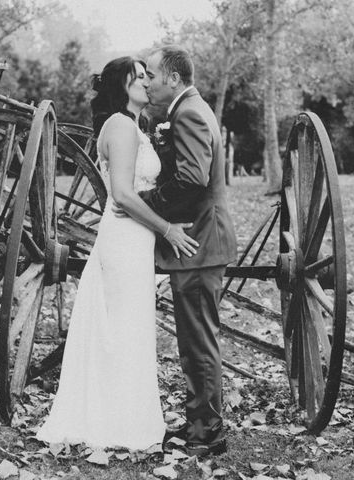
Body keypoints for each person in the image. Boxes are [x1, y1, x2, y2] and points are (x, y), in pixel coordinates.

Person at [35, 56, 199, 451]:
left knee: (128, 328)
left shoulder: (133, 126)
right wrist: (167, 230)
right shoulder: (122, 127)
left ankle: (124, 417)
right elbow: (122, 194)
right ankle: (118, 425)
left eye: (147, 76)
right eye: (138, 77)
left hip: (132, 237)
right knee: (124, 329)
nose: (146, 81)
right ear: (120, 87)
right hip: (125, 237)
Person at [140, 45, 238, 457]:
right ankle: (200, 420)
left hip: (198, 243)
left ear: (173, 79)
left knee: (198, 344)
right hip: (197, 245)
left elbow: (193, 179)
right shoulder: (187, 110)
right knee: (195, 341)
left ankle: (208, 432)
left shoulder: (190, 113)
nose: (146, 81)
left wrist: (146, 201)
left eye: (150, 74)